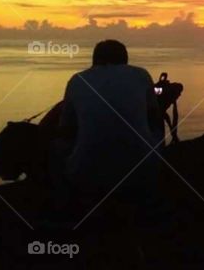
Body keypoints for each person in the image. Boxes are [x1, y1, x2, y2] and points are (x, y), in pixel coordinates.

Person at [52, 40, 163, 210]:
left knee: (58, 147)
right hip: (142, 174)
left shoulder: (77, 80)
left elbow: (65, 129)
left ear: (95, 59)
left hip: (86, 177)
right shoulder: (141, 75)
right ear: (125, 59)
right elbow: (155, 118)